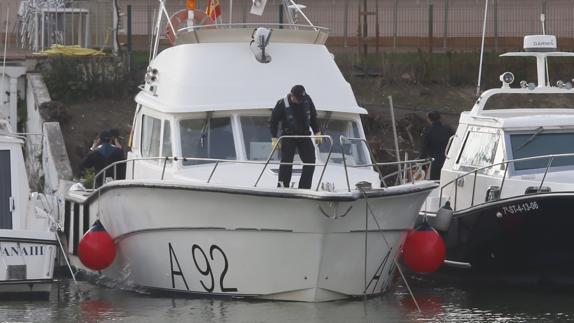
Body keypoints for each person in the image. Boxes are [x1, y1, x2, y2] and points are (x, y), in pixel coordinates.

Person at [270, 85, 322, 189]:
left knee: (311, 161)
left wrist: (317, 132)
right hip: (288, 136)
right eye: (298, 99)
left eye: (301, 99)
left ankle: (304, 187)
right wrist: (274, 138)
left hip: (304, 135)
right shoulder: (281, 104)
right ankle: (282, 187)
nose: (299, 101)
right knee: (286, 162)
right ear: (292, 96)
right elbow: (273, 122)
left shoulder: (307, 100)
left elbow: (313, 117)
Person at [419, 110, 455, 180]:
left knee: (435, 182)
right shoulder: (448, 129)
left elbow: (424, 149)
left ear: (429, 119)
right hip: (448, 161)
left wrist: (422, 164)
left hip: (435, 162)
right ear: (440, 118)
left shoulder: (427, 131)